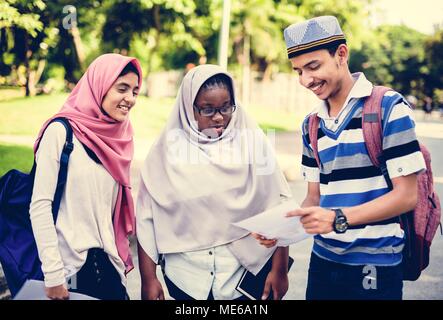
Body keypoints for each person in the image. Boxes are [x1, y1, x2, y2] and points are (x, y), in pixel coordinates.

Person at [255, 16, 426, 300]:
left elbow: (407, 196)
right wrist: (279, 232)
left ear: (341, 55)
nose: (306, 80)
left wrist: (338, 219)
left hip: (376, 266)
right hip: (323, 263)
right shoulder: (311, 124)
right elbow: (314, 200)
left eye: (313, 66)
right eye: (298, 71)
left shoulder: (389, 108)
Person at [136, 64, 292, 300]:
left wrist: (279, 270)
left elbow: (280, 205)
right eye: (207, 110)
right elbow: (146, 219)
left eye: (226, 107)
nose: (219, 117)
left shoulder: (252, 143)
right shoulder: (165, 153)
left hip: (242, 276)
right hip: (186, 278)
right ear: (189, 109)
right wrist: (148, 279)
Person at [29, 53, 142, 300]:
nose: (130, 98)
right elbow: (40, 206)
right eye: (121, 88)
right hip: (69, 272)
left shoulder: (120, 141)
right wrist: (54, 275)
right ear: (99, 86)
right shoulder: (60, 132)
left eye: (134, 90)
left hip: (109, 268)